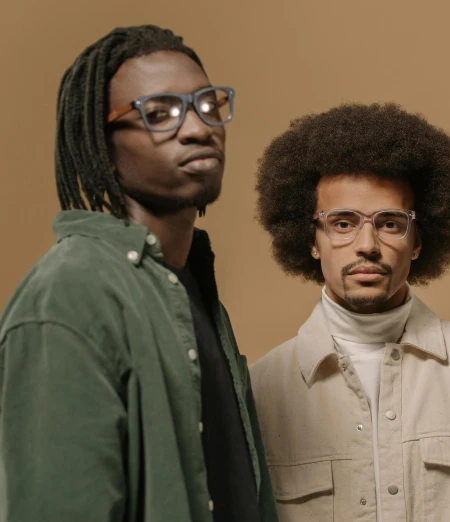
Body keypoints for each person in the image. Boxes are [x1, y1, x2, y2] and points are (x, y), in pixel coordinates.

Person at [0, 25, 277, 521]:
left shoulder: (188, 287)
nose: (197, 128)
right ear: (103, 146)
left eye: (207, 105)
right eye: (160, 113)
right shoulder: (70, 292)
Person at [250, 102, 450, 521]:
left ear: (418, 240)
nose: (367, 244)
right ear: (312, 240)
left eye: (390, 223)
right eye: (342, 223)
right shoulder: (260, 391)